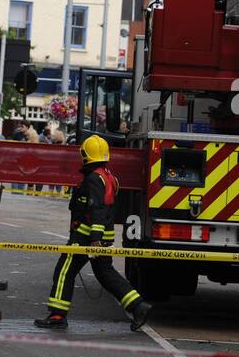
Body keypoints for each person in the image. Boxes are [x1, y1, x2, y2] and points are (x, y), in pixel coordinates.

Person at [34, 134, 151, 332]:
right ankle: (138, 306)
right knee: (105, 274)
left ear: (86, 155)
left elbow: (98, 209)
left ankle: (57, 315)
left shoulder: (94, 179)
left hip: (86, 238)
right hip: (98, 237)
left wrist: (94, 239)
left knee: (64, 271)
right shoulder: (108, 177)